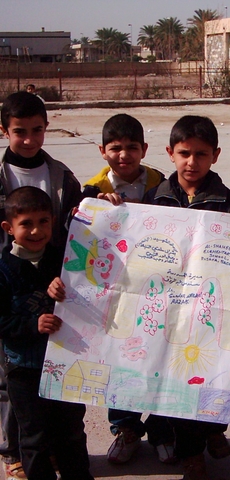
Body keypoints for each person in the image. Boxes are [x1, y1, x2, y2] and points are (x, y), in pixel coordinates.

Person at [142, 115, 230, 480]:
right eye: (184, 153)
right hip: (168, 308)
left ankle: (213, 430)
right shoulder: (156, 198)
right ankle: (192, 453)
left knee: (210, 376)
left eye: (201, 154)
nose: (192, 162)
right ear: (170, 153)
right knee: (177, 381)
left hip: (210, 310)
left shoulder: (229, 201)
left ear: (215, 155)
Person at [83, 113, 178, 465]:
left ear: (145, 149)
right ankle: (125, 428)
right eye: (116, 148)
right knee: (119, 358)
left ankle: (162, 430)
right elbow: (80, 235)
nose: (124, 155)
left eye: (132, 148)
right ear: (102, 151)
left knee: (159, 358)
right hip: (116, 291)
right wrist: (96, 211)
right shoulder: (92, 190)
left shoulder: (162, 184)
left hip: (159, 287)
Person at [0, 91, 82, 480]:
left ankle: (53, 455)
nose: (30, 139)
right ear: (4, 131)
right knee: (11, 382)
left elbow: (77, 224)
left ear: (47, 129)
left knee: (64, 414)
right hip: (10, 285)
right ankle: (13, 450)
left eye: (37, 130)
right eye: (20, 132)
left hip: (52, 283)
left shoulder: (62, 175)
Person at [0, 186, 93, 480]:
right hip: (24, 371)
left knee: (72, 433)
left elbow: (91, 281)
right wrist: (32, 324)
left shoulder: (62, 259)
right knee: (35, 439)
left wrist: (64, 289)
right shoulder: (4, 270)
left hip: (67, 365)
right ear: (8, 228)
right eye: (26, 223)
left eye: (43, 221)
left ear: (53, 222)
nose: (36, 230)